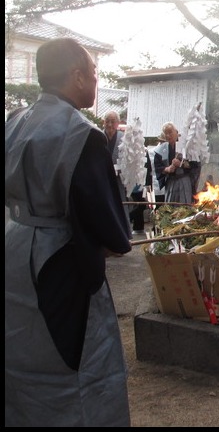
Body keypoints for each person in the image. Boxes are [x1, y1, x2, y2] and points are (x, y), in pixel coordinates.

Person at [5, 37, 132, 426]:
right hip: (57, 262)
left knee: (20, 355)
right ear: (76, 77)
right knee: (74, 366)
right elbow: (110, 231)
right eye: (94, 74)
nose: (96, 83)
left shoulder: (15, 121)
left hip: (14, 248)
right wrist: (112, 240)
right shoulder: (81, 134)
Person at [154, 121, 201, 204]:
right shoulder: (160, 150)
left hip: (184, 180)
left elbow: (195, 165)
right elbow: (157, 167)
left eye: (170, 132)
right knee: (170, 206)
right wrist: (167, 169)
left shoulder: (187, 147)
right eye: (166, 133)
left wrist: (181, 164)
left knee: (185, 205)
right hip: (170, 182)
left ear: (176, 132)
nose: (168, 135)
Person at [103, 109, 130, 226]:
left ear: (118, 123)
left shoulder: (124, 138)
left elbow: (129, 160)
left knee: (120, 207)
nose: (109, 124)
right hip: (102, 180)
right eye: (107, 121)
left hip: (118, 180)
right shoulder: (97, 136)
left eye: (112, 121)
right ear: (103, 122)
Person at [128, 150, 153, 234]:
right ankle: (128, 218)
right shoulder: (129, 152)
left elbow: (148, 169)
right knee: (140, 205)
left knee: (140, 205)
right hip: (134, 184)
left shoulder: (145, 152)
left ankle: (138, 227)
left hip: (142, 184)